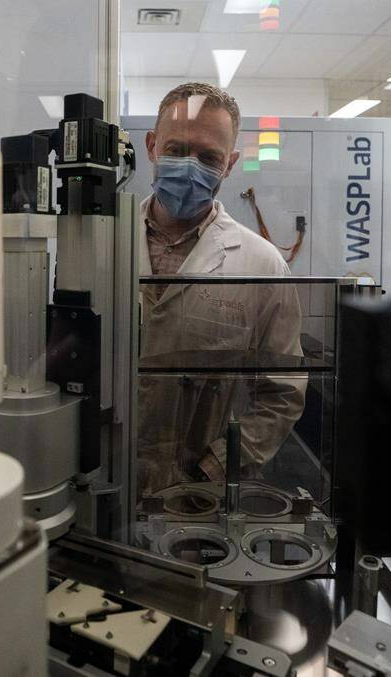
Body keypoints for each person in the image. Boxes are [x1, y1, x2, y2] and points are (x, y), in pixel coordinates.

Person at [137, 82, 304, 497]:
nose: (189, 166)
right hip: (100, 476)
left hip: (200, 493)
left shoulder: (262, 264)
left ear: (229, 165)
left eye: (208, 157)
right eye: (176, 150)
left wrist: (215, 469)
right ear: (152, 146)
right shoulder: (98, 244)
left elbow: (282, 394)